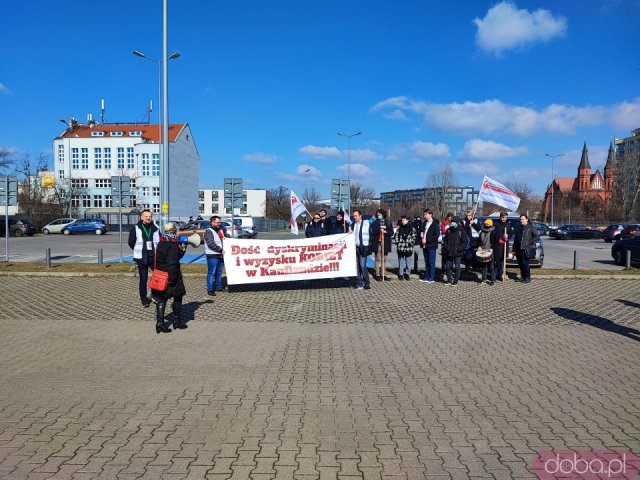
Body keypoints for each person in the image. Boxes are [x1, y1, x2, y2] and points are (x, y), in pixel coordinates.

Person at [151, 222, 187, 333]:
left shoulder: (162, 241)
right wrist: (172, 279)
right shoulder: (172, 245)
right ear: (174, 231)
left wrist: (182, 250)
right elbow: (172, 263)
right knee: (178, 297)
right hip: (170, 276)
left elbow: (173, 257)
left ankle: (160, 323)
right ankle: (176, 322)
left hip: (161, 275)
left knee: (161, 299)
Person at [128, 209, 160, 307]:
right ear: (141, 217)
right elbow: (131, 242)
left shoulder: (156, 227)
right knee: (143, 279)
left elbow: (160, 240)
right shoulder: (136, 228)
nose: (148, 218)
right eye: (146, 216)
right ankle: (144, 299)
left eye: (150, 216)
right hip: (141, 257)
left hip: (153, 256)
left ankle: (155, 295)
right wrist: (139, 249)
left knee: (157, 277)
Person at [512, 214, 539, 284]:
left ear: (526, 219)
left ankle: (527, 278)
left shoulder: (530, 227)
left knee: (525, 263)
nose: (521, 220)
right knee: (520, 263)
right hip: (518, 248)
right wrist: (513, 249)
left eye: (523, 219)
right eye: (520, 219)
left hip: (526, 248)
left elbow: (536, 236)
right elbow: (516, 239)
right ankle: (523, 277)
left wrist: (530, 243)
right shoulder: (518, 228)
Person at [441, 216, 467, 287]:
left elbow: (465, 242)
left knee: (457, 267)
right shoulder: (448, 230)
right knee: (448, 267)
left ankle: (455, 281)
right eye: (451, 222)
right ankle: (449, 280)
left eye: (454, 222)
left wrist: (459, 248)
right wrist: (447, 248)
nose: (452, 223)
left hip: (457, 253)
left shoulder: (461, 231)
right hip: (449, 252)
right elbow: (445, 240)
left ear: (458, 223)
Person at [370, 208, 393, 281]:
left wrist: (385, 231)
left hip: (385, 243)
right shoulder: (375, 223)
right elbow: (372, 232)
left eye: (380, 214)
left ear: (383, 214)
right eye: (377, 214)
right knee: (377, 259)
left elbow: (391, 233)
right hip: (378, 243)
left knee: (384, 259)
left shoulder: (388, 222)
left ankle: (383, 274)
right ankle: (377, 274)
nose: (378, 215)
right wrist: (379, 230)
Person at [204, 216, 225, 296]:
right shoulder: (209, 231)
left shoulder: (220, 231)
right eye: (217, 222)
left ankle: (218, 286)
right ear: (212, 223)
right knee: (211, 272)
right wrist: (220, 250)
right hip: (212, 255)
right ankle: (210, 289)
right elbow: (211, 244)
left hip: (220, 255)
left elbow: (223, 240)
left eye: (219, 222)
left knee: (219, 272)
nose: (219, 224)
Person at [351, 209, 371, 290]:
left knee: (363, 266)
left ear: (360, 216)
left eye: (356, 216)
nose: (354, 217)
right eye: (353, 216)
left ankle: (367, 283)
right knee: (357, 267)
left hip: (363, 247)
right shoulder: (352, 225)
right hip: (355, 248)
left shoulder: (366, 223)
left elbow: (372, 232)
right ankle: (359, 283)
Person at [393, 215, 416, 280]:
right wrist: (398, 243)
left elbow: (414, 237)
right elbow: (396, 237)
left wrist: (410, 244)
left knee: (408, 261)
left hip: (408, 247)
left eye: (403, 220)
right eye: (402, 220)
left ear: (407, 220)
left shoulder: (412, 228)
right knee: (401, 260)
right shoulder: (399, 228)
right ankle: (400, 274)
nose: (402, 221)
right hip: (401, 247)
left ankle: (407, 273)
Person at [420, 209, 440, 283]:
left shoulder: (435, 224)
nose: (424, 216)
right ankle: (427, 276)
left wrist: (427, 240)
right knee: (426, 261)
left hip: (431, 246)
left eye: (426, 214)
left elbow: (436, 236)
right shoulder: (424, 223)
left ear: (430, 215)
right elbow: (421, 230)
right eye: (424, 214)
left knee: (431, 262)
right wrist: (421, 233)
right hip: (424, 245)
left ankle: (431, 278)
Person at [493, 211, 512, 282]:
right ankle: (494, 275)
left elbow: (510, 234)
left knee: (502, 262)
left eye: (505, 218)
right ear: (500, 217)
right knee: (496, 262)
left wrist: (507, 236)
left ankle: (500, 275)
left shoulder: (507, 225)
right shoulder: (496, 224)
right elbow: (493, 235)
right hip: (497, 246)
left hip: (504, 246)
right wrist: (498, 239)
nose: (504, 219)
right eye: (503, 217)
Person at [477, 219, 496, 285]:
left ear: (491, 224)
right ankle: (484, 280)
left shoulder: (493, 231)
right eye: (485, 224)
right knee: (483, 266)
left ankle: (493, 280)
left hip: (490, 251)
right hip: (483, 251)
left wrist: (492, 248)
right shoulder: (482, 231)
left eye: (488, 224)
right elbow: (479, 240)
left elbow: (495, 242)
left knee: (491, 267)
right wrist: (479, 246)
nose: (486, 225)